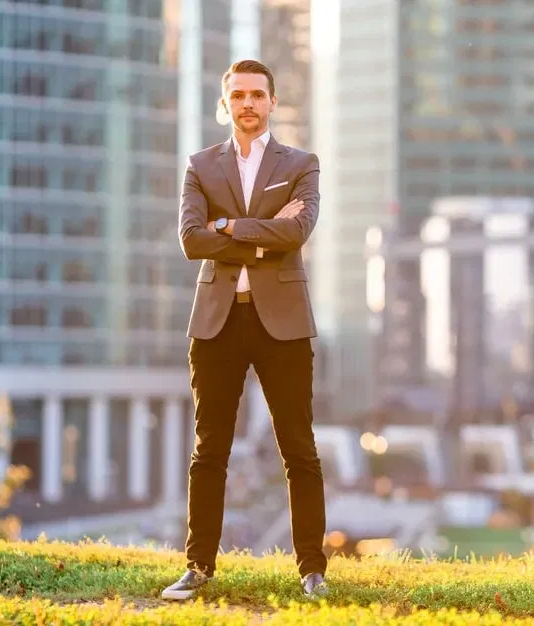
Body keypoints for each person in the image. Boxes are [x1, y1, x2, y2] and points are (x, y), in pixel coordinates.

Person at [161, 60, 329, 601]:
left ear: (273, 102)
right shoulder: (199, 166)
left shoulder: (302, 163)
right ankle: (198, 567)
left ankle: (312, 570)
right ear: (226, 103)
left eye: (258, 95)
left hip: (283, 324)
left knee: (299, 451)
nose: (249, 104)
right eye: (239, 96)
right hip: (217, 323)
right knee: (209, 451)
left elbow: (297, 231)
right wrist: (263, 234)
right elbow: (190, 240)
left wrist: (227, 227)